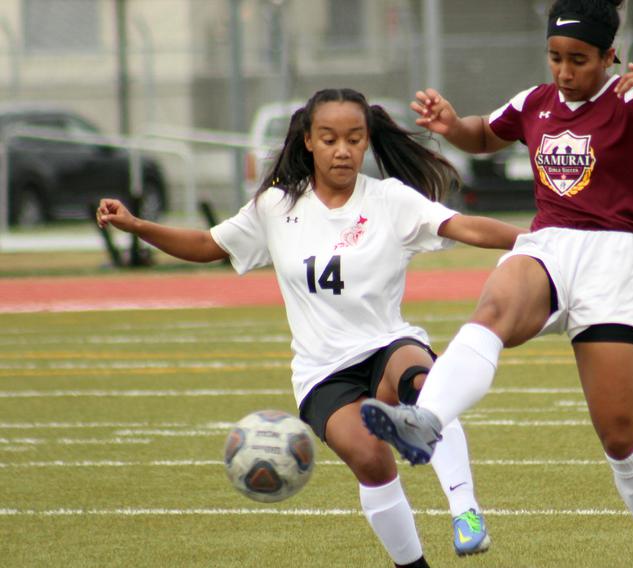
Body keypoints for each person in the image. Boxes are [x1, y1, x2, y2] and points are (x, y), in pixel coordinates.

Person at [359, 1, 633, 566]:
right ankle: (426, 420)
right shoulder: (537, 101)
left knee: (620, 435)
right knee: (492, 311)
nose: (563, 71)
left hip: (613, 260)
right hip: (549, 244)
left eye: (578, 60)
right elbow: (486, 133)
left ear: (610, 56)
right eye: (555, 57)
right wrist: (452, 125)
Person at [97, 88, 528, 567]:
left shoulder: (389, 199)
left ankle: (465, 511)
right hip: (323, 372)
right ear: (307, 141)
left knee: (422, 382)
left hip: (387, 344)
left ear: (367, 141)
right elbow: (206, 243)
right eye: (329, 139)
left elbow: (463, 227)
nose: (342, 150)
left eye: (354, 138)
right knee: (371, 459)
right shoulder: (276, 207)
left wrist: (536, 239)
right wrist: (138, 226)